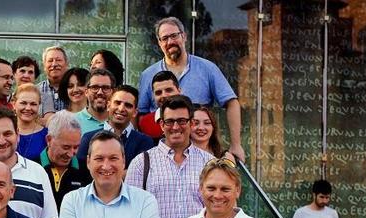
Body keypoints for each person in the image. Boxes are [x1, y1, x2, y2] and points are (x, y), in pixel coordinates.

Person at [137, 17, 244, 160]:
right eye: (165, 38)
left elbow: (232, 103)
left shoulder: (207, 68)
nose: (170, 42)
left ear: (184, 36)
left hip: (201, 153)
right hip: (162, 155)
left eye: (174, 36)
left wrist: (236, 144)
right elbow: (140, 116)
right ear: (159, 43)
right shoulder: (148, 75)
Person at [77, 85, 154, 168]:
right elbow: (81, 173)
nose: (121, 109)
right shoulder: (88, 138)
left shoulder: (145, 142)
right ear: (108, 105)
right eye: (117, 103)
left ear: (135, 112)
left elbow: (142, 173)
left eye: (128, 105)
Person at [137, 70, 181, 141]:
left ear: (179, 91)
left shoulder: (192, 117)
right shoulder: (145, 122)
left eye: (169, 90)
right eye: (158, 92)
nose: (164, 95)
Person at [13, 84, 48, 163]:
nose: (28, 108)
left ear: (39, 106)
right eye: (23, 103)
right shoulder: (5, 133)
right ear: (14, 104)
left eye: (33, 104)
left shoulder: (47, 135)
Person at [77, 68, 115, 134]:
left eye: (105, 88)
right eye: (95, 87)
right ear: (86, 92)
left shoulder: (121, 122)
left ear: (113, 92)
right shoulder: (73, 121)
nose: (100, 92)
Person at [39, 45, 69, 119]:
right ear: (44, 66)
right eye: (50, 60)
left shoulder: (74, 90)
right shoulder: (36, 90)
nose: (54, 64)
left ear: (66, 64)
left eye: (58, 60)